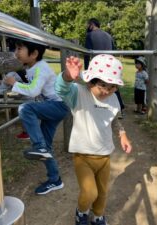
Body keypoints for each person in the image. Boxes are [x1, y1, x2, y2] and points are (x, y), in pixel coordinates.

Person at [55, 54, 132, 225]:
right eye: (102, 85)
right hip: (83, 156)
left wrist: (122, 134)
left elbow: (115, 119)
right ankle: (81, 212)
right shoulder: (79, 93)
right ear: (90, 82)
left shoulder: (113, 99)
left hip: (104, 155)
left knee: (103, 192)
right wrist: (68, 76)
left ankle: (98, 215)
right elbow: (61, 89)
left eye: (112, 87)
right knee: (90, 193)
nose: (107, 91)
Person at [4, 40, 69, 195]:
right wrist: (17, 84)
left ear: (33, 54)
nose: (16, 51)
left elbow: (33, 90)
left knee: (25, 109)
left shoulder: (41, 68)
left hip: (59, 106)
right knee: (46, 147)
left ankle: (38, 146)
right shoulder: (32, 67)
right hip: (52, 105)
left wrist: (14, 83)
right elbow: (34, 89)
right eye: (16, 48)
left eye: (19, 48)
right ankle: (55, 180)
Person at [84, 18, 125, 118]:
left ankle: (95, 109)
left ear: (91, 24)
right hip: (110, 64)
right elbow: (114, 50)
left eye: (87, 25)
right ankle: (119, 109)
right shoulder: (108, 35)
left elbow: (87, 53)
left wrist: (87, 69)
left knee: (97, 87)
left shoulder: (90, 35)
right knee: (112, 88)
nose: (86, 27)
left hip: (98, 65)